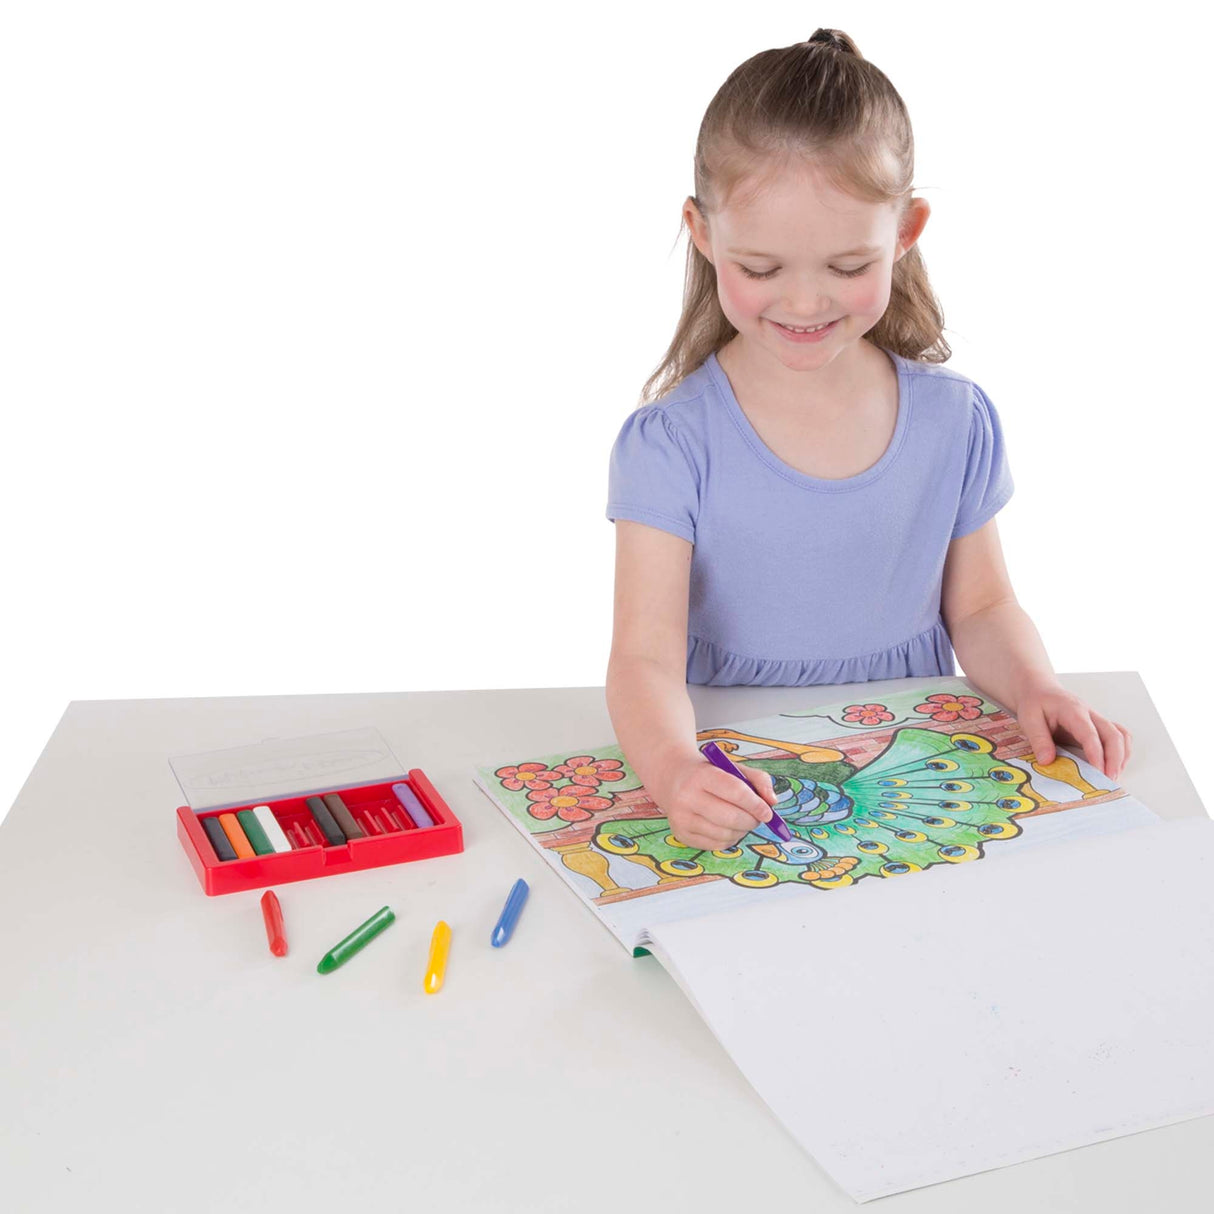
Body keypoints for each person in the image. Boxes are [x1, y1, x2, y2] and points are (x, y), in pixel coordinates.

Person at [604, 28, 1131, 852]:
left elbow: (984, 607)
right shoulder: (671, 443)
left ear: (907, 229)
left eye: (848, 267)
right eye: (763, 268)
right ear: (702, 234)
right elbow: (642, 656)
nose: (806, 302)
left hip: (910, 763)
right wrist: (673, 770)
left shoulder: (955, 421)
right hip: (738, 774)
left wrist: (1035, 685)